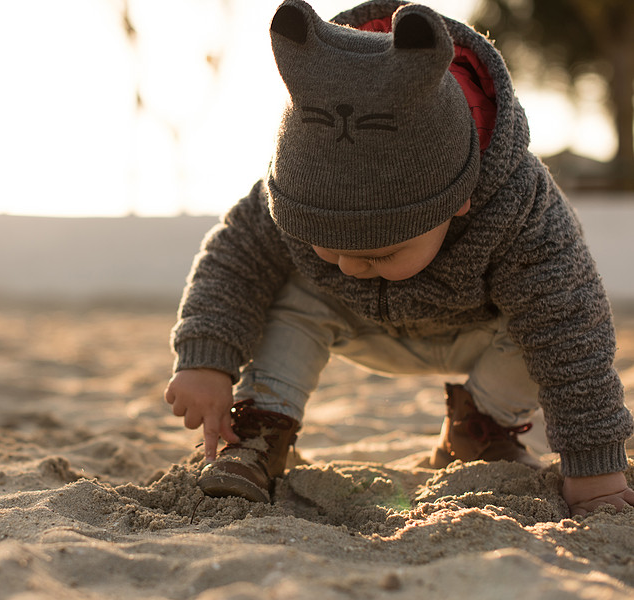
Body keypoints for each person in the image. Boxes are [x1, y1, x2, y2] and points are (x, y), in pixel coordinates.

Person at [164, 0, 634, 516]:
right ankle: (258, 428)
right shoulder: (299, 190)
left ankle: (481, 423)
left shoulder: (521, 209)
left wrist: (594, 469)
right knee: (290, 293)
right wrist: (206, 359)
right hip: (349, 322)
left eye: (381, 252)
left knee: (547, 327)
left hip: (475, 332)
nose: (349, 266)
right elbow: (234, 257)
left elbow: (571, 331)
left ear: (459, 200)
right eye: (332, 246)